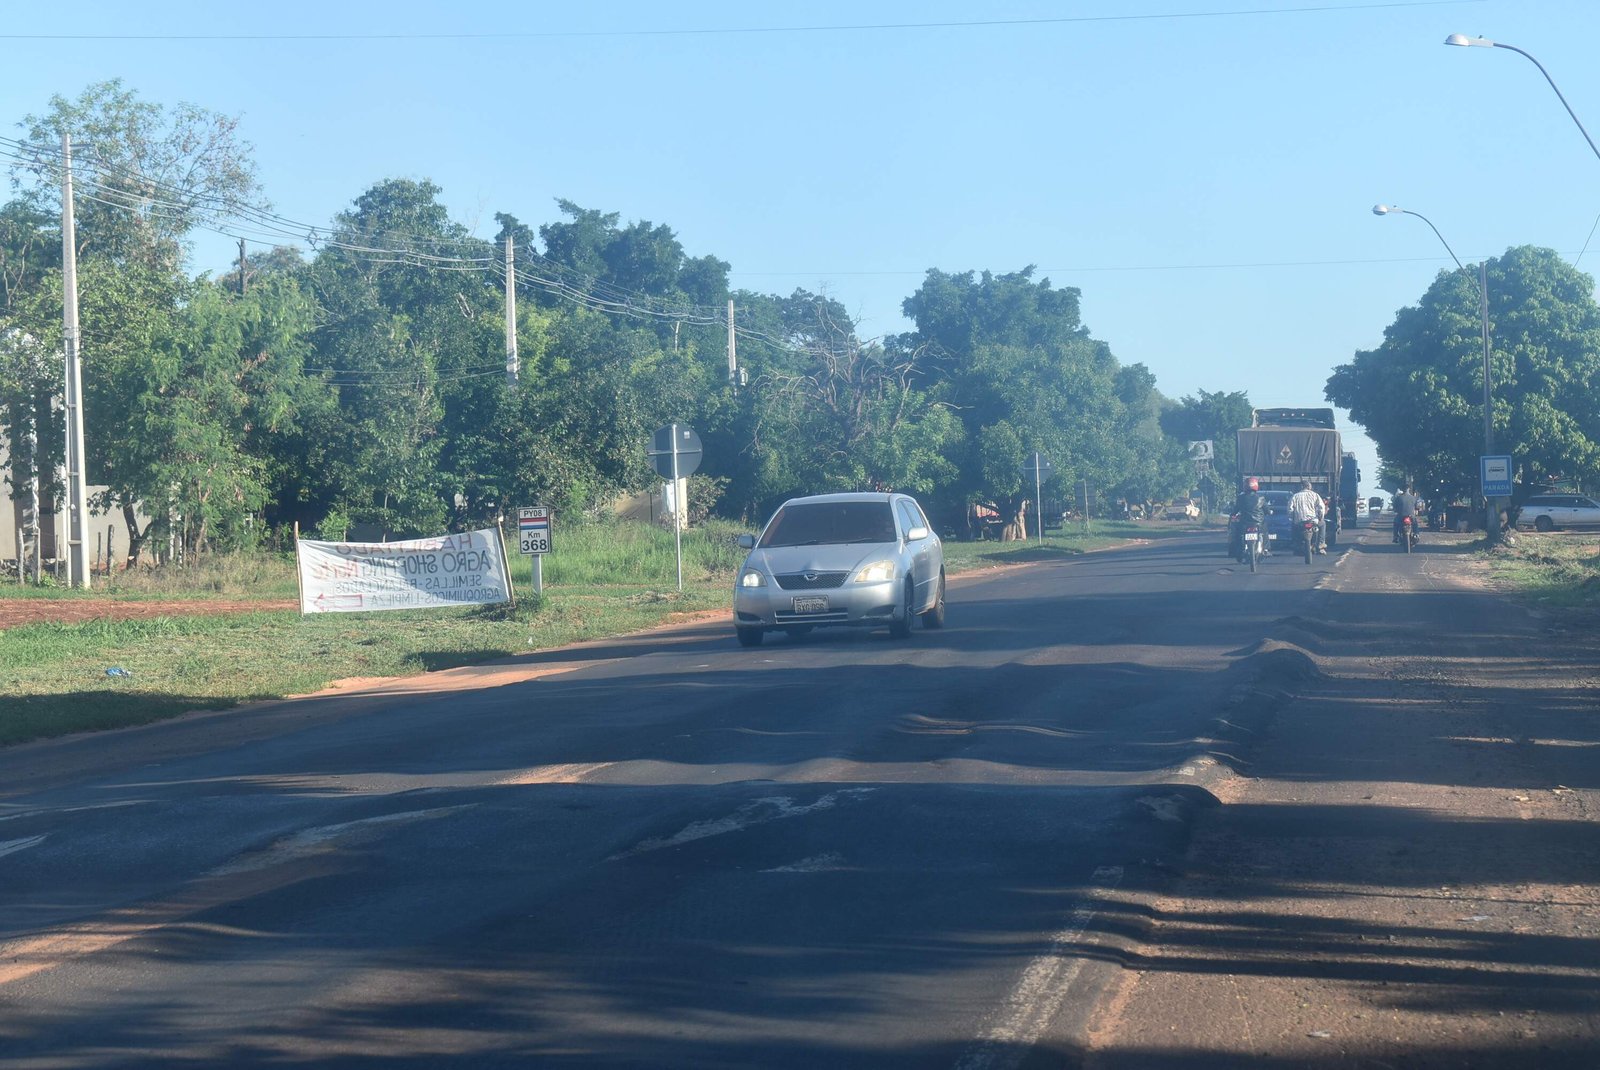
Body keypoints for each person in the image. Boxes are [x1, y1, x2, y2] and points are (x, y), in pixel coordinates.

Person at [1288, 479, 1327, 553]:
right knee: (1323, 524)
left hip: (1299, 521)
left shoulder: (1295, 496)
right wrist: (1321, 517)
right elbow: (1321, 507)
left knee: (1294, 528)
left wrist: (1292, 518)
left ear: (1301, 487)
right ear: (1309, 486)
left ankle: (1296, 544)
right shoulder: (1315, 495)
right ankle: (1321, 544)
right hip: (1313, 521)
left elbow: (1290, 509)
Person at [1236, 476, 1269, 557]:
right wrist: (1268, 512)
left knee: (1238, 534)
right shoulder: (1261, 498)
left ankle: (1239, 550)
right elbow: (1266, 510)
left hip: (1245, 523)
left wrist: (1233, 514)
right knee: (1265, 532)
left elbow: (1236, 509)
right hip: (1258, 523)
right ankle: (1266, 549)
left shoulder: (1241, 498)